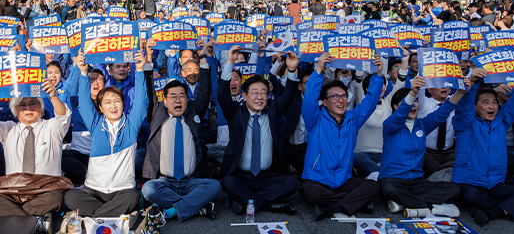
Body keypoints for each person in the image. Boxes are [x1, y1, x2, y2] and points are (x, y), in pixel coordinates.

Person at [141, 40, 221, 223]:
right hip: (165, 182)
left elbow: (205, 89)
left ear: (187, 99)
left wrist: (201, 56)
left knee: (215, 186)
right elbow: (148, 90)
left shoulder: (194, 111)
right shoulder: (158, 113)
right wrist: (149, 57)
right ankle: (197, 207)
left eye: (182, 96)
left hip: (191, 181)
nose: (178, 100)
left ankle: (170, 212)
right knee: (148, 189)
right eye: (173, 97)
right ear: (165, 100)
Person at [0, 79, 73, 226]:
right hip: (13, 190)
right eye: (22, 104)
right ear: (16, 111)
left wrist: (53, 96)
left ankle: (8, 217)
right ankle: (34, 221)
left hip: (46, 189)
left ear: (41, 109)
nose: (28, 108)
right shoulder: (9, 129)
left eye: (33, 103)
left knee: (56, 198)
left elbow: (63, 117)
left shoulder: (52, 127)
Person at [64, 50, 148, 217]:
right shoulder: (96, 124)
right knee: (71, 196)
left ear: (123, 105)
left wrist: (139, 70)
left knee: (133, 196)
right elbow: (85, 102)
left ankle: (96, 219)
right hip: (94, 189)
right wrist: (82, 72)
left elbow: (141, 101)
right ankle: (110, 217)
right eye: (108, 102)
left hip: (122, 190)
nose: (113, 106)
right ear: (101, 108)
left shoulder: (131, 125)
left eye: (117, 101)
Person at [300, 53, 383, 220]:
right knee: (310, 192)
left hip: (343, 181)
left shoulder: (353, 119)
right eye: (335, 97)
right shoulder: (315, 119)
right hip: (317, 180)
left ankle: (331, 208)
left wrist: (378, 75)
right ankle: (355, 203)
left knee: (374, 186)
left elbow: (370, 102)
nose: (341, 100)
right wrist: (318, 71)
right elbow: (309, 99)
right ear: (324, 102)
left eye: (344, 96)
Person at [453, 68, 514, 225]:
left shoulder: (503, 121)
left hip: (495, 184)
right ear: (475, 107)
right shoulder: (464, 124)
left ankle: (496, 211)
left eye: (494, 102)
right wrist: (472, 82)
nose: (491, 106)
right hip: (469, 183)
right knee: (470, 196)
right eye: (485, 102)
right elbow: (464, 106)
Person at [218, 46, 300, 215]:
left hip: (266, 177)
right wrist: (229, 62)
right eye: (254, 93)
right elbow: (221, 94)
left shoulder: (272, 112)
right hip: (240, 176)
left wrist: (291, 69)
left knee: (292, 185)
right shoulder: (235, 113)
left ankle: (245, 200)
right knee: (227, 183)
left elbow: (290, 93)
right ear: (245, 96)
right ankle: (269, 205)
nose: (260, 97)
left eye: (264, 93)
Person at [379, 78, 464, 216]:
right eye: (409, 101)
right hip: (393, 180)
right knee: (388, 188)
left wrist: (460, 92)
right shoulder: (390, 125)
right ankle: (431, 207)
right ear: (395, 106)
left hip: (417, 182)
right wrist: (413, 92)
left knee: (455, 189)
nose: (413, 104)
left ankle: (402, 203)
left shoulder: (423, 125)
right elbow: (400, 114)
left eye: (416, 101)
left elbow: (443, 111)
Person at [61, 69, 105, 186]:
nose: (95, 83)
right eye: (91, 80)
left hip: (101, 157)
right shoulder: (77, 103)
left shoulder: (110, 105)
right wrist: (79, 67)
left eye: (99, 80)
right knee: (61, 156)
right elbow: (73, 87)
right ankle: (91, 178)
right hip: (79, 155)